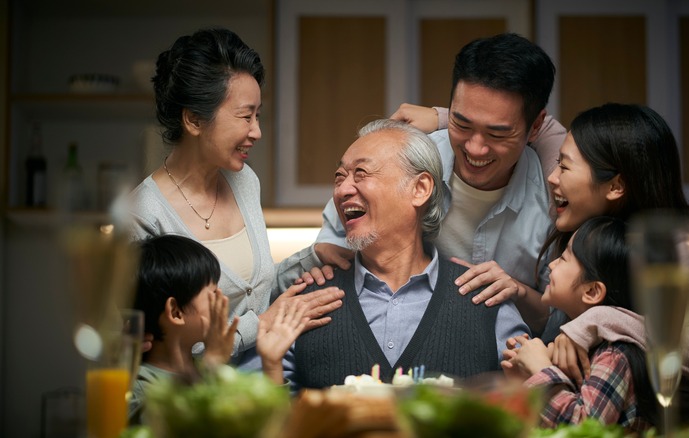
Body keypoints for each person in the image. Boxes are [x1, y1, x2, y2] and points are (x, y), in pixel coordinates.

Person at [314, 33, 567, 335]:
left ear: (535, 126)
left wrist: (517, 291)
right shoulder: (403, 160)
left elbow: (560, 318)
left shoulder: (556, 201)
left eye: (497, 134)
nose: (475, 148)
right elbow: (330, 250)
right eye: (461, 124)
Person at [127, 28, 343, 366]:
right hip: (201, 402)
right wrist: (262, 326)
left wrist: (310, 257)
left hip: (269, 376)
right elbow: (156, 351)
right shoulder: (142, 215)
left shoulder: (245, 182)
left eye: (258, 115)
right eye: (246, 116)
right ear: (194, 119)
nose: (256, 131)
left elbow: (249, 293)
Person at [283, 119, 531, 389]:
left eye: (361, 173)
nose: (342, 190)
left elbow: (530, 407)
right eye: (339, 177)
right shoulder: (305, 300)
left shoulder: (486, 299)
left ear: (420, 189)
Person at [541, 103, 689, 424]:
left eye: (564, 167)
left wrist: (600, 319)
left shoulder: (684, 242)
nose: (552, 177)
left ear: (616, 186)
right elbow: (533, 125)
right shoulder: (588, 233)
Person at [128, 235, 308, 424]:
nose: (223, 300)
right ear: (175, 312)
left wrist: (272, 363)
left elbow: (271, 429)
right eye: (213, 294)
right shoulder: (140, 389)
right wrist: (212, 366)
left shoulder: (206, 369)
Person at [502, 216, 658, 433]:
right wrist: (525, 382)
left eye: (564, 258)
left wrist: (540, 369)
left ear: (591, 291)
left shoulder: (614, 355)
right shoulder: (573, 344)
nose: (552, 263)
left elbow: (585, 430)